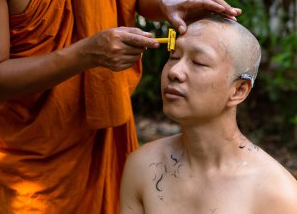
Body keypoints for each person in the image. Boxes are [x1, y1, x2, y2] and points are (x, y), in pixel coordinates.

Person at [0, 0, 242, 213]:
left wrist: (168, 3)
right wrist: (85, 54)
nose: (177, 72)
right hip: (35, 147)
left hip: (103, 126)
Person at [119, 16, 297, 214]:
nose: (175, 71)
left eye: (199, 62)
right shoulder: (143, 166)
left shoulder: (277, 194)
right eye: (174, 56)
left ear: (238, 91)